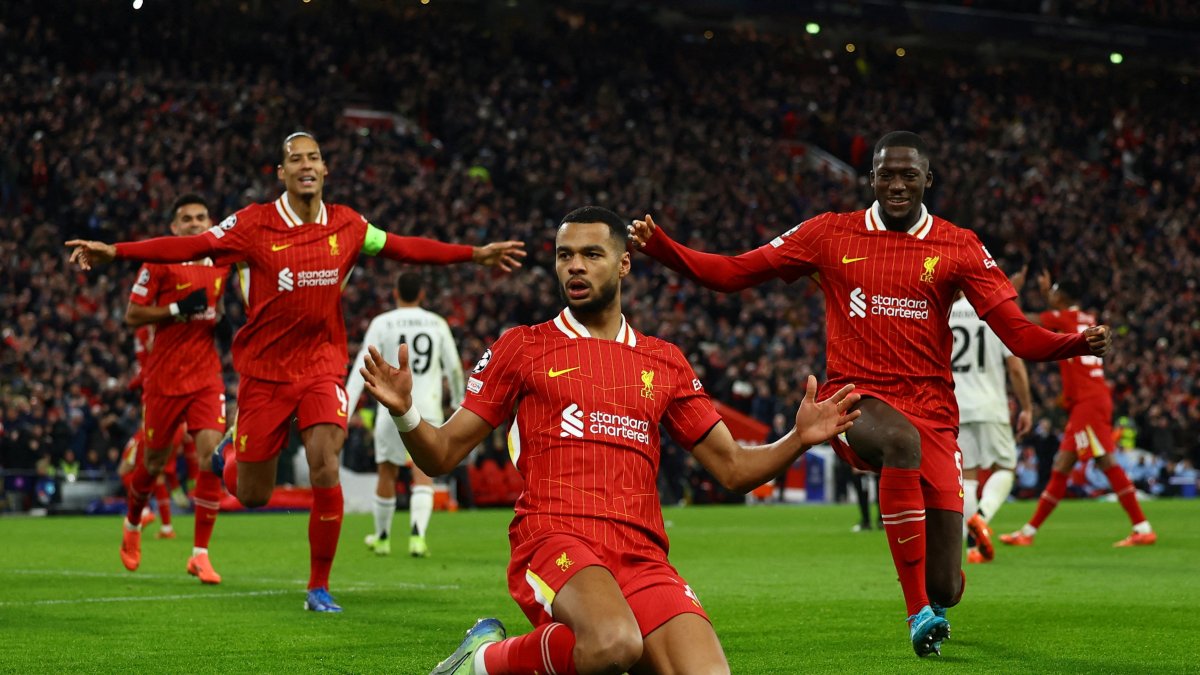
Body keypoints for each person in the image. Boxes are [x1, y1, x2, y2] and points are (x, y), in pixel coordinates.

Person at [627, 131, 1112, 657]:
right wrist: (663, 248)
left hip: (936, 412)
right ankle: (915, 613)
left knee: (947, 583)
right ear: (872, 178)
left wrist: (1072, 344)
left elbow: (1018, 334)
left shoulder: (960, 244)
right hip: (854, 400)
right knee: (899, 444)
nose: (897, 184)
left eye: (908, 175)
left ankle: (933, 598)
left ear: (928, 179)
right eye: (886, 174)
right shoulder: (829, 234)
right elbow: (733, 272)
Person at [358, 207, 860, 675]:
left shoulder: (664, 360)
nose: (575, 266)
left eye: (591, 255)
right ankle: (483, 663)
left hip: (642, 552)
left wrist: (799, 438)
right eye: (564, 256)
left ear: (623, 264)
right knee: (614, 643)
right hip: (555, 535)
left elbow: (732, 469)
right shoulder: (523, 347)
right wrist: (405, 412)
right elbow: (442, 453)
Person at [66, 131, 526, 613]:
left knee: (325, 463)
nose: (306, 164)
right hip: (264, 374)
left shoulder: (349, 225)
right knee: (253, 493)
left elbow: (405, 248)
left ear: (325, 170)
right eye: (295, 159)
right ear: (281, 174)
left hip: (322, 365)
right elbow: (193, 244)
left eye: (314, 157)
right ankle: (228, 455)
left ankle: (318, 588)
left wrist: (475, 254)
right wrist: (115, 251)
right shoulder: (253, 225)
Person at [999, 271, 1155, 548]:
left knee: (1103, 461)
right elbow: (1060, 316)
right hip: (1090, 399)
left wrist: (1013, 290)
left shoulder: (1065, 318)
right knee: (1064, 467)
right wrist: (1050, 294)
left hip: (1088, 403)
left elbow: (1022, 318)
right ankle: (1028, 532)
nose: (1051, 296)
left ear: (1063, 297)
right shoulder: (1084, 318)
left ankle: (1142, 527)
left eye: (1055, 293)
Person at [120, 193, 229, 583]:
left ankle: (200, 553)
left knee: (210, 455)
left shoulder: (222, 261)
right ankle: (133, 524)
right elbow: (132, 315)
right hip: (164, 379)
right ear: (174, 227)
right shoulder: (159, 262)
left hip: (206, 376)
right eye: (187, 219)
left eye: (202, 217)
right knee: (151, 465)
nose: (196, 224)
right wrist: (175, 309)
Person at [345, 271, 465, 558]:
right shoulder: (436, 323)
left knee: (386, 471)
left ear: (395, 293)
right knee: (423, 472)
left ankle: (383, 538)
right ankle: (417, 537)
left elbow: (364, 365)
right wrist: (461, 403)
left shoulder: (382, 323)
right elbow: (455, 368)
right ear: (422, 295)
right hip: (428, 407)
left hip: (392, 407)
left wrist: (345, 408)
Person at [948, 293, 1033, 564]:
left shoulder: (946, 314)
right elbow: (1015, 367)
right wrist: (1027, 407)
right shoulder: (993, 312)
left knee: (969, 476)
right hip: (990, 405)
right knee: (1006, 467)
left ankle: (973, 549)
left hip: (957, 405)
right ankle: (981, 519)